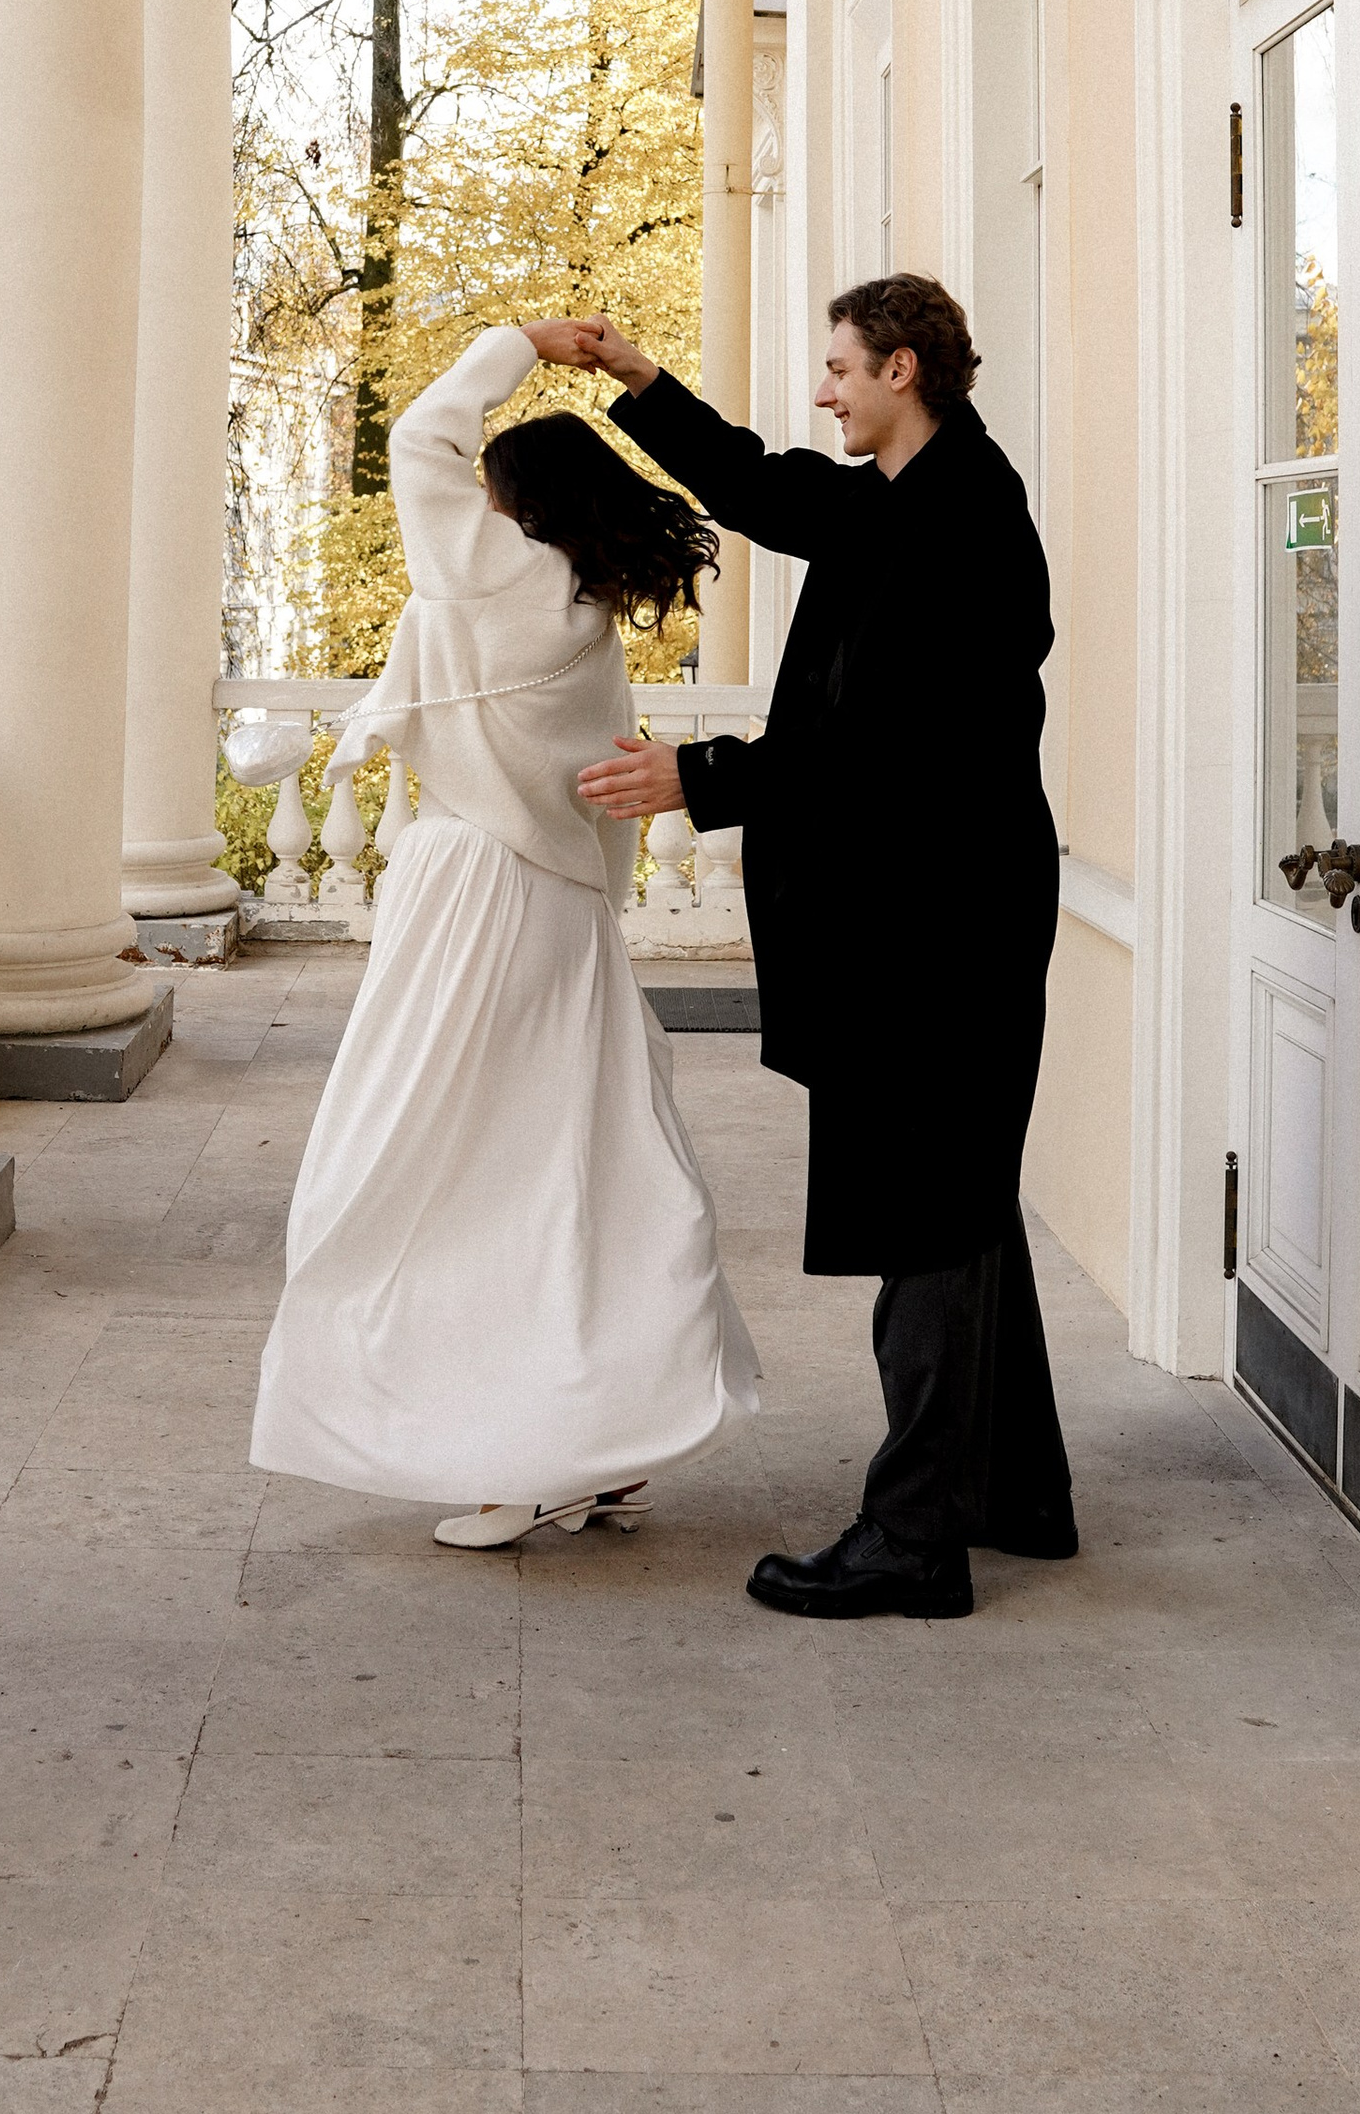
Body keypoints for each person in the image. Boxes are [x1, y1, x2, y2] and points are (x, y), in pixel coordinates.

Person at [537, 275, 1074, 1621]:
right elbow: (762, 489)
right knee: (960, 1208)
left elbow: (889, 743)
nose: (823, 391)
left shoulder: (962, 520)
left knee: (932, 1220)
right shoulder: (905, 496)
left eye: (839, 369)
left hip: (946, 930)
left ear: (903, 370)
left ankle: (914, 1544)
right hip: (933, 919)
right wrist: (638, 377)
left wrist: (701, 774)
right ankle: (1011, 1493)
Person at [250, 323, 761, 1547]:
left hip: (470, 887)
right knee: (578, 1157)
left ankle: (524, 1452)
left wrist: (521, 342)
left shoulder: (482, 569)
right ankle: (594, 1432)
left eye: (489, 489)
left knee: (439, 1162)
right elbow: (599, 793)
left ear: (510, 500)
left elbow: (418, 428)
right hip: (559, 909)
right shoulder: (584, 603)